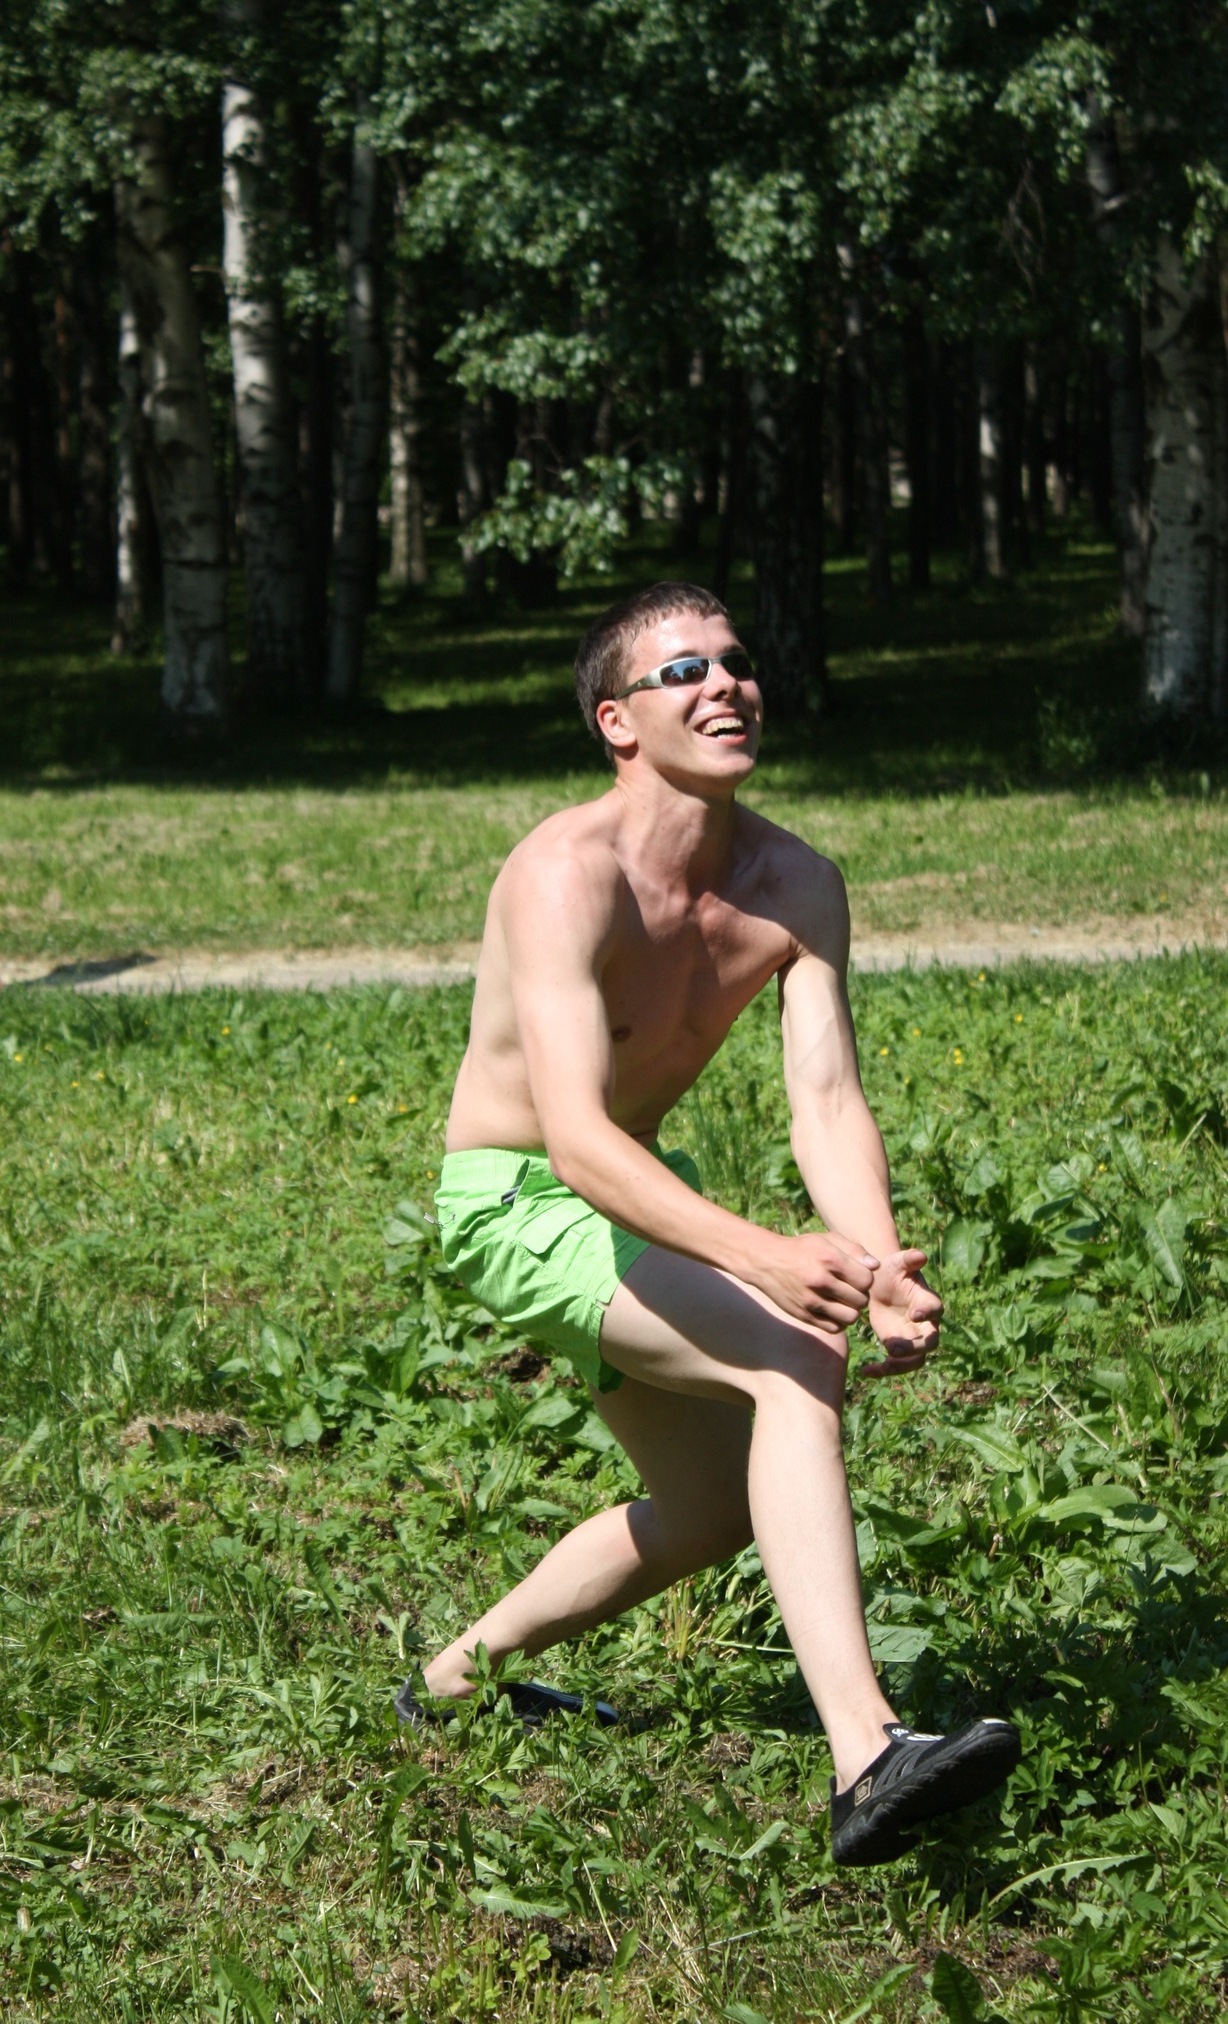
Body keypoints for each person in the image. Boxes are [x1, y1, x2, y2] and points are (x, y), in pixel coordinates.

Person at [397, 581, 1019, 1865]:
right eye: (684, 670)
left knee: (707, 1507)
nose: (726, 683)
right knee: (790, 1355)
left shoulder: (796, 884)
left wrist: (877, 1259)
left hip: (637, 1187)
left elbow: (826, 1098)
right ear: (617, 721)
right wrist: (764, 1256)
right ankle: (866, 1755)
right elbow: (575, 1138)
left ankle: (451, 1680)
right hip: (515, 1194)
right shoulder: (563, 874)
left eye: (736, 661)